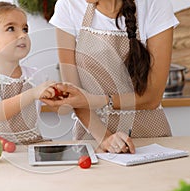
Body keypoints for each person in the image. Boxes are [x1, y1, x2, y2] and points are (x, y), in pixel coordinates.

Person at [43, 0, 179, 153]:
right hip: (94, 137)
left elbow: (152, 97)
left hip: (150, 139)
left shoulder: (155, 4)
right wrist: (105, 138)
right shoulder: (68, 5)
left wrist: (98, 100)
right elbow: (73, 94)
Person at [0, 1, 56, 144]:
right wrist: (33, 93)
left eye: (25, 29)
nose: (22, 35)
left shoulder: (36, 76)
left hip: (31, 147)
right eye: (11, 29)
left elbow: (60, 108)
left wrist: (58, 96)